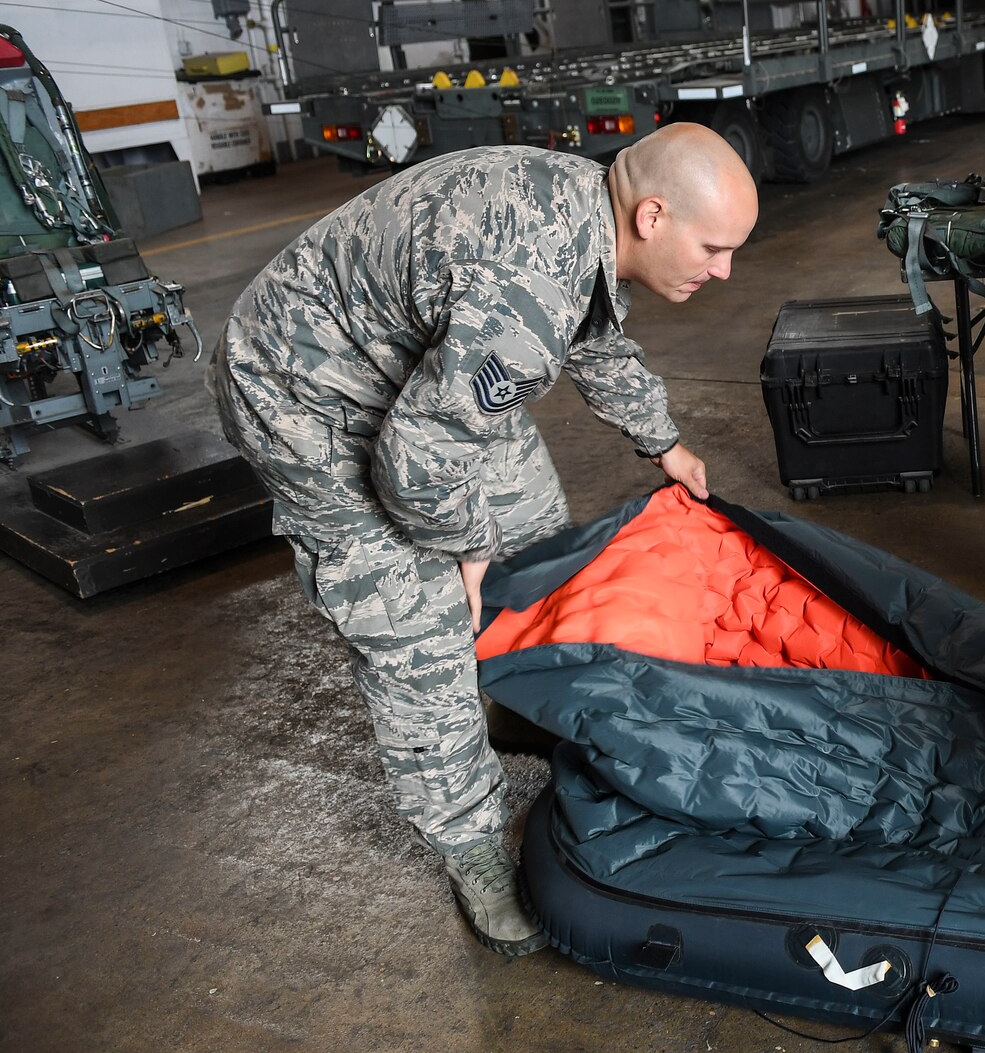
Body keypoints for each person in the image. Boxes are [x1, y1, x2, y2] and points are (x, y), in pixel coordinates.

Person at [210, 126, 758, 955]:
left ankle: (510, 691)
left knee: (533, 533)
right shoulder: (526, 300)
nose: (724, 271)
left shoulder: (587, 206)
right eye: (715, 248)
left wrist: (663, 441)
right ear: (652, 215)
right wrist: (465, 547)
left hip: (411, 368)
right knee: (416, 629)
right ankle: (472, 846)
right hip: (302, 392)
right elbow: (418, 465)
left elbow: (593, 330)